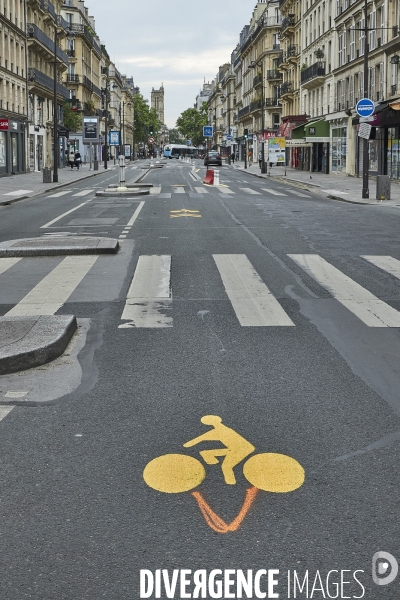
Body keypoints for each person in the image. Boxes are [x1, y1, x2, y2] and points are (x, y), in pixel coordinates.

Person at [183, 415, 255, 485]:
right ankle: (213, 464)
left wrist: (187, 445)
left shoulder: (218, 431)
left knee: (226, 466)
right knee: (206, 453)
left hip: (241, 449)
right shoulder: (224, 429)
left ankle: (231, 483)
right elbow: (201, 438)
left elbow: (199, 439)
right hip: (236, 448)